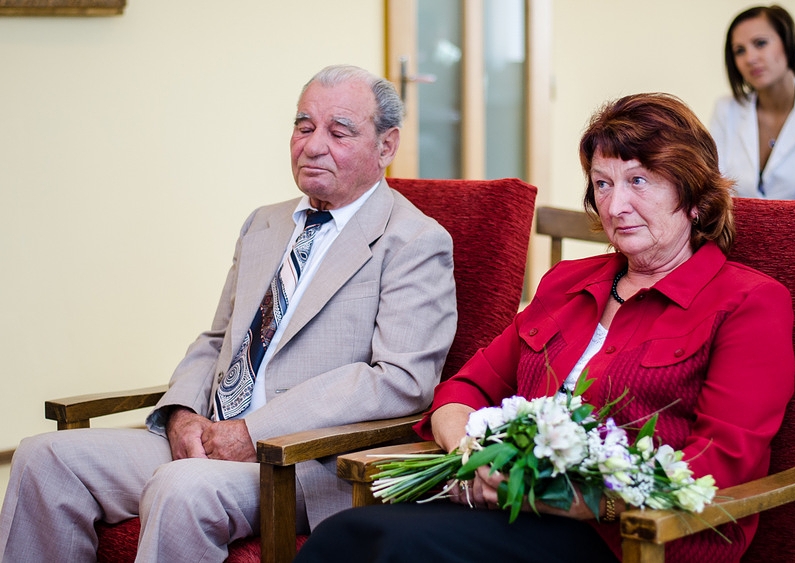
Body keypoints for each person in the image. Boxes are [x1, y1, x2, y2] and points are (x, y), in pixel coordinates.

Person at [294, 93, 795, 563]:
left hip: (630, 536)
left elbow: (721, 463)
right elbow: (463, 390)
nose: (615, 205)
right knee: (342, 534)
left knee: (392, 546)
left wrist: (572, 497)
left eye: (638, 181)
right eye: (603, 184)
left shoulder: (748, 302)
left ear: (695, 198)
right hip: (513, 509)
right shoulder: (567, 284)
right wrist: (474, 455)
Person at [0, 64, 458, 562]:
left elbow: (400, 380)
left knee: (181, 488)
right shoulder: (265, 223)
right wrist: (180, 415)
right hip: (211, 435)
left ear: (386, 146)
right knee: (44, 459)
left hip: (302, 462)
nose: (313, 146)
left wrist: (253, 433)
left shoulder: (414, 241)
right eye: (304, 127)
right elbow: (218, 340)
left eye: (338, 131)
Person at [709, 4, 795, 200]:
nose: (750, 58)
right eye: (739, 51)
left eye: (760, 43)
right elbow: (715, 190)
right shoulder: (726, 110)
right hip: (736, 221)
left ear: (787, 43)